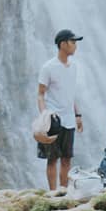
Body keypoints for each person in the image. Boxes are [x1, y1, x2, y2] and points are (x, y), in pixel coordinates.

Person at [37, 29, 84, 190]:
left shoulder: (74, 66)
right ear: (63, 44)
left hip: (70, 119)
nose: (75, 46)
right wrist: (45, 116)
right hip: (53, 120)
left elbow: (71, 93)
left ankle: (64, 191)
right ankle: (52, 193)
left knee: (66, 158)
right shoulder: (48, 67)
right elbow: (40, 94)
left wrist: (78, 114)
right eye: (73, 42)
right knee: (52, 158)